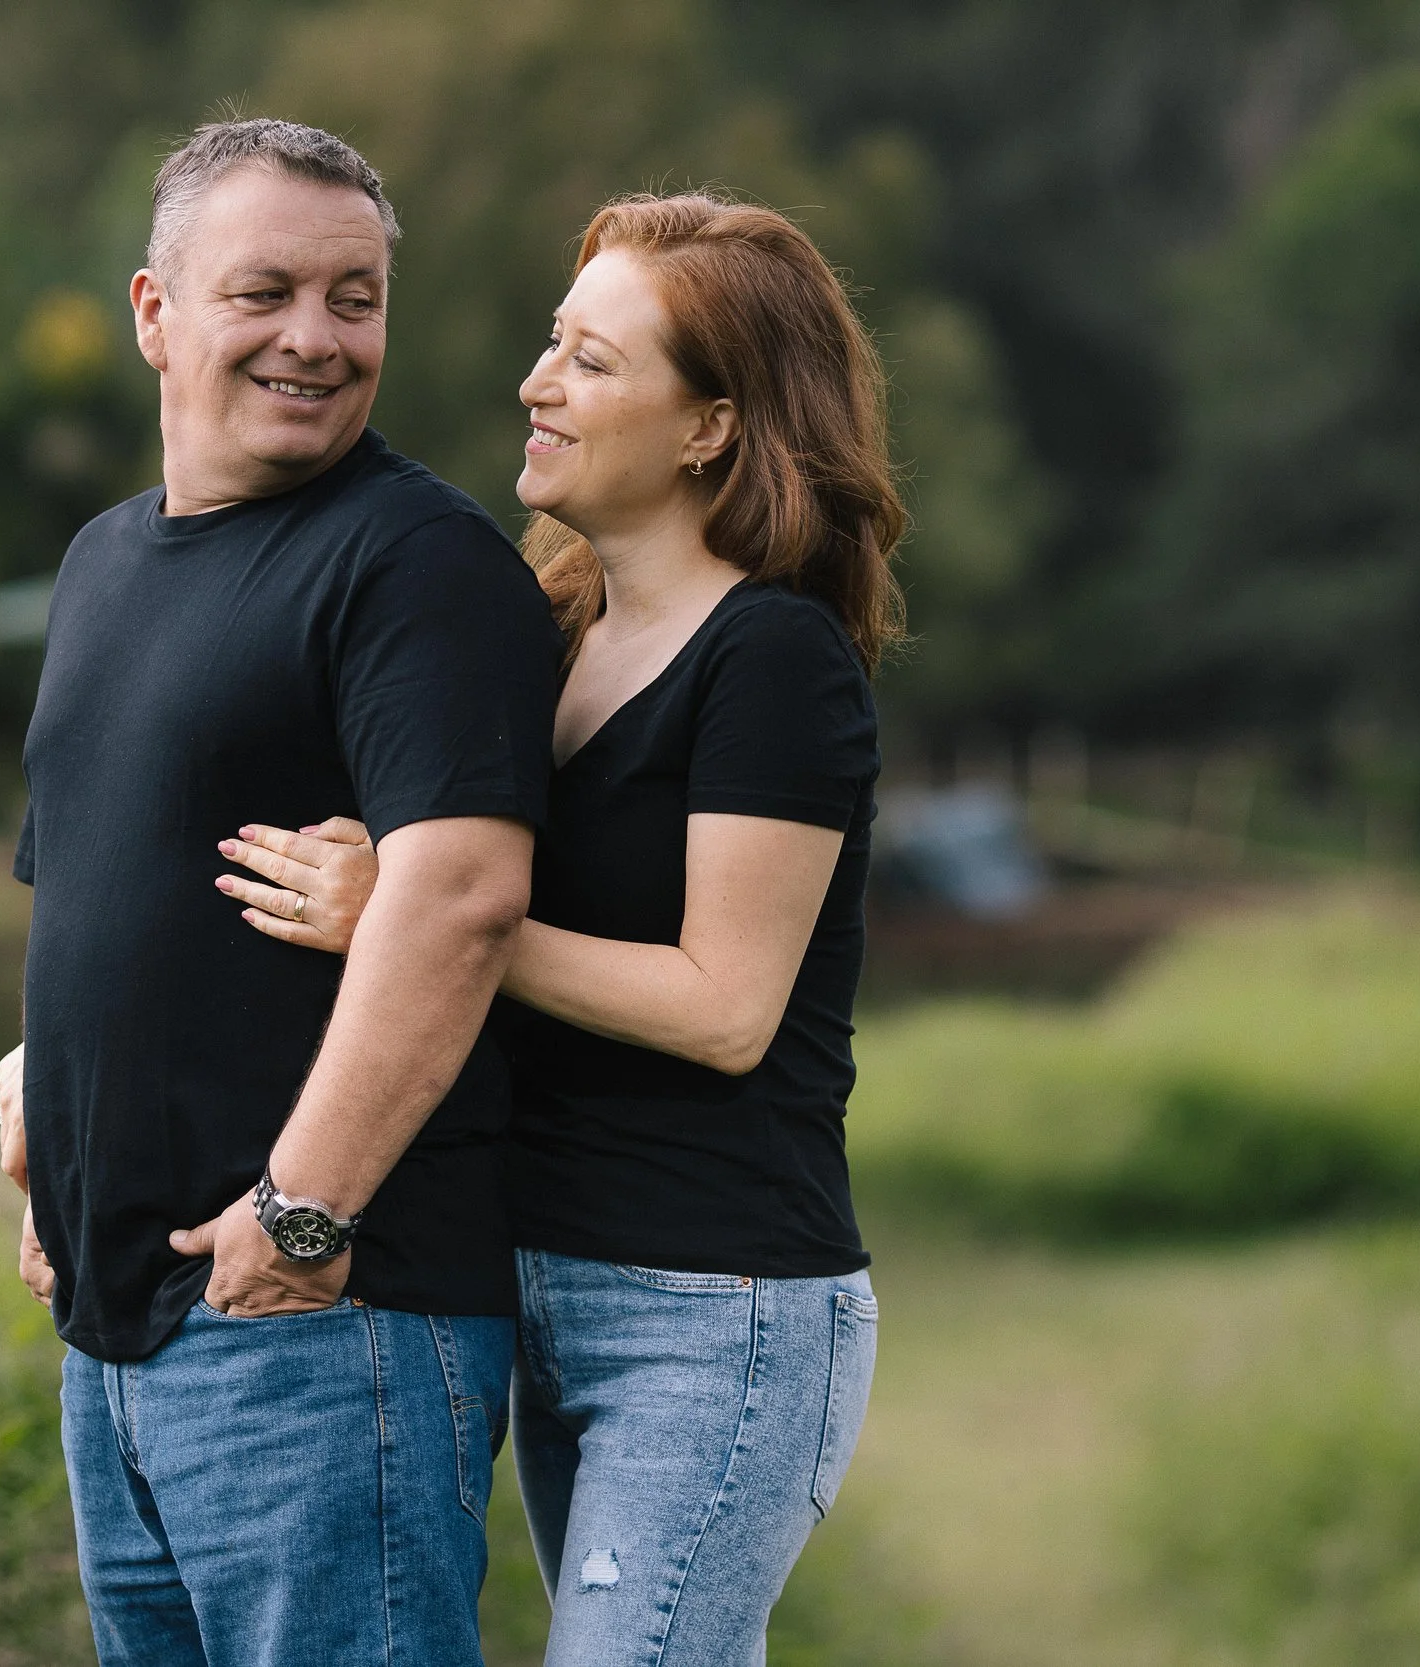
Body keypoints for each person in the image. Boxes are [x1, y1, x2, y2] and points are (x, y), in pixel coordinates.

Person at [214, 193, 903, 1665]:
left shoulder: (773, 659)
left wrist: (411, 918)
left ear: (711, 427)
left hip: (716, 1310)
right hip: (535, 1279)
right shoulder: (548, 629)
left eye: (591, 361)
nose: (537, 384)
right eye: (551, 343)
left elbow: (727, 1002)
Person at [0, 118, 563, 1666]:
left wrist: (300, 1218)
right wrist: (40, 1075)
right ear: (155, 313)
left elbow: (460, 902)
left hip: (324, 1329)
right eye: (266, 293)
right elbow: (94, 878)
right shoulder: (105, 561)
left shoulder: (420, 565)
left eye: (355, 298)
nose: (316, 338)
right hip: (120, 1337)